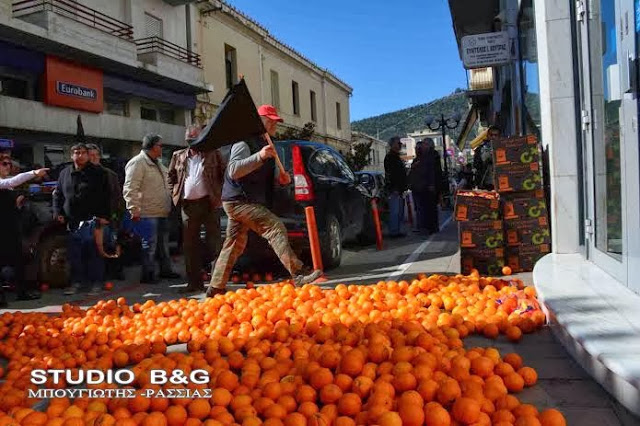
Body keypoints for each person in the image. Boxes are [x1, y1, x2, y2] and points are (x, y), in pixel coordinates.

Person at [205, 105, 322, 297]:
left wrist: (282, 179)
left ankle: (216, 287)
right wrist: (259, 155)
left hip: (243, 200)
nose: (275, 124)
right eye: (272, 120)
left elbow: (273, 173)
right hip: (239, 200)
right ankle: (298, 273)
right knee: (275, 227)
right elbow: (234, 170)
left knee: (234, 244)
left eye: (276, 121)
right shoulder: (245, 143)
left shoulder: (267, 144)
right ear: (260, 121)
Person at [168, 125, 226, 293]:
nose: (191, 143)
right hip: (188, 206)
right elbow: (170, 176)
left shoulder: (213, 154)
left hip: (209, 203)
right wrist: (174, 193)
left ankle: (217, 284)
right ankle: (194, 283)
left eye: (194, 139)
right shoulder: (178, 156)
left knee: (214, 243)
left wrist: (219, 195)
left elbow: (225, 174)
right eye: (189, 140)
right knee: (190, 245)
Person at [53, 144, 111, 296]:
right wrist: (58, 212)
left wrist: (104, 217)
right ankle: (76, 282)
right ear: (71, 155)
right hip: (72, 221)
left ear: (87, 155)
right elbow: (58, 194)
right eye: (76, 153)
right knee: (75, 255)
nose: (80, 155)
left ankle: (96, 283)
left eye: (83, 153)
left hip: (93, 220)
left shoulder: (98, 173)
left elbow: (106, 196)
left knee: (94, 253)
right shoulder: (65, 173)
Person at [123, 134, 179, 284]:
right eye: (161, 145)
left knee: (163, 245)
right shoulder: (137, 163)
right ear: (154, 146)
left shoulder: (159, 164)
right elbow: (130, 188)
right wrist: (133, 209)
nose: (162, 148)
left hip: (161, 211)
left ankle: (165, 271)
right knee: (149, 247)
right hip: (147, 213)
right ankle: (147, 274)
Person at [0, 154, 48, 306]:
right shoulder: (4, 182)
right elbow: (12, 181)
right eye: (4, 163)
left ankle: (22, 292)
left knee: (18, 259)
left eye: (9, 164)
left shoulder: (8, 185)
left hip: (11, 226)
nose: (8, 166)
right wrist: (33, 173)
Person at [86, 144, 125, 280]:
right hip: (89, 219)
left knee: (111, 244)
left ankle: (115, 272)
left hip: (109, 218)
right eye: (91, 155)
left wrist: (115, 216)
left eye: (97, 155)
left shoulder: (110, 175)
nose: (94, 158)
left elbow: (118, 198)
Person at [384, 136, 408, 238]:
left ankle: (396, 230)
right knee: (395, 211)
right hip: (395, 189)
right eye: (398, 143)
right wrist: (395, 188)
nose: (400, 145)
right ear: (393, 144)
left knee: (399, 211)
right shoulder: (390, 157)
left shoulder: (396, 157)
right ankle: (394, 232)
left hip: (399, 189)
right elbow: (392, 174)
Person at [421, 138, 443, 234]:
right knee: (430, 207)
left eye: (424, 144)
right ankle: (432, 227)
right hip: (431, 184)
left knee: (431, 207)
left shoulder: (431, 155)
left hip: (431, 185)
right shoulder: (431, 154)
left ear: (429, 145)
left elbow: (432, 171)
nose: (423, 146)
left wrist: (431, 184)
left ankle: (432, 227)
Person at [474, 125, 501, 190]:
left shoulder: (504, 147)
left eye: (496, 135)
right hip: (486, 184)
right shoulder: (481, 149)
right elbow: (476, 165)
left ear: (499, 136)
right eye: (491, 135)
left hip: (501, 182)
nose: (493, 137)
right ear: (488, 136)